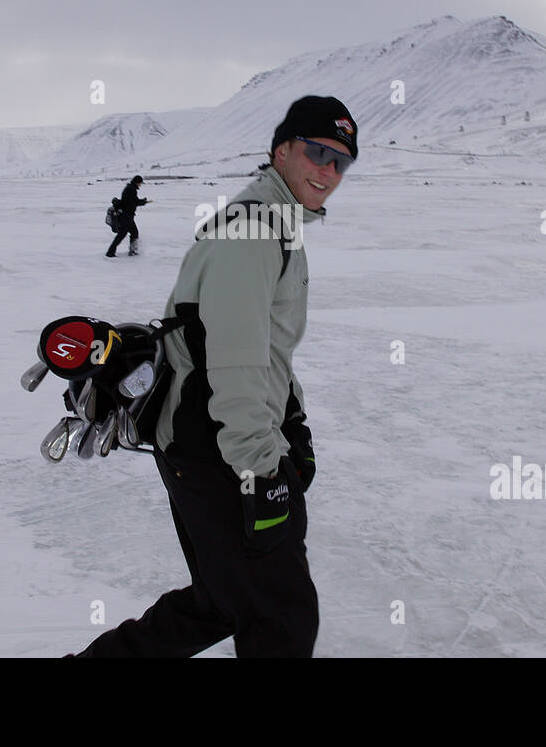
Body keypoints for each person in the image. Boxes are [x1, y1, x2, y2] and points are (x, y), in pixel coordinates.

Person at [72, 95, 358, 658]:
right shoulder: (252, 235)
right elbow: (236, 361)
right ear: (283, 151)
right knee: (281, 616)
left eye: (340, 161)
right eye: (317, 151)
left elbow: (267, 350)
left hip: (207, 442)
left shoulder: (274, 228)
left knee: (223, 601)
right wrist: (261, 467)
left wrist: (292, 423)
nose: (327, 170)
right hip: (217, 450)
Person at [105, 175, 148, 258]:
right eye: (140, 183)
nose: (140, 185)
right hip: (126, 216)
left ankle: (133, 251)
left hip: (127, 215)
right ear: (137, 182)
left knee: (134, 232)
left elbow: (131, 201)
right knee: (122, 234)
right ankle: (110, 253)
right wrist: (142, 202)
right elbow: (132, 202)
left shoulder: (130, 188)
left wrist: (141, 201)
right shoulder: (131, 189)